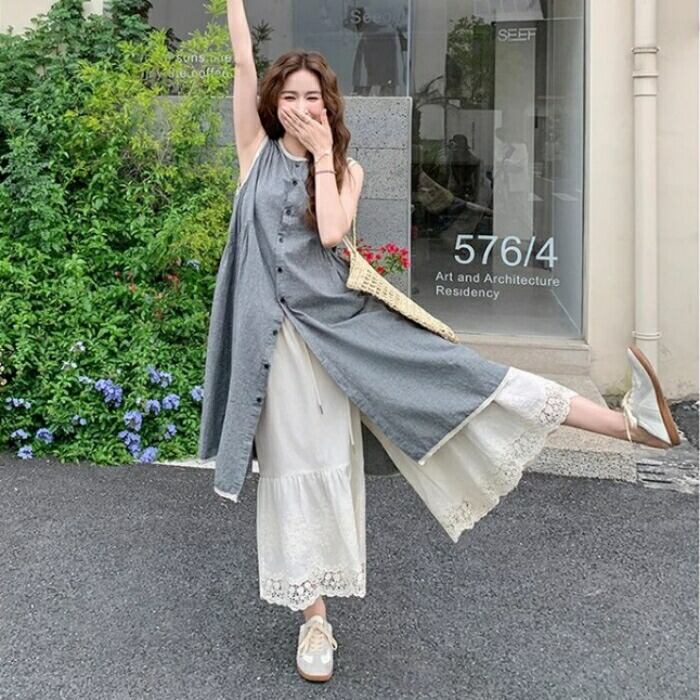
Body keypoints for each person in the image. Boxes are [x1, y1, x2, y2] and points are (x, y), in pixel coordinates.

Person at [200, 0, 683, 684]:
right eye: (289, 96)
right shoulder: (253, 154)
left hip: (349, 334)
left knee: (465, 379)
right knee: (292, 474)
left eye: (312, 97)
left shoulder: (346, 170)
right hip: (275, 353)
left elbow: (332, 232)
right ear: (272, 102)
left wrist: (323, 156)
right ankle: (315, 619)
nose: (300, 106)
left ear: (328, 105)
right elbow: (241, 59)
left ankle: (632, 427)